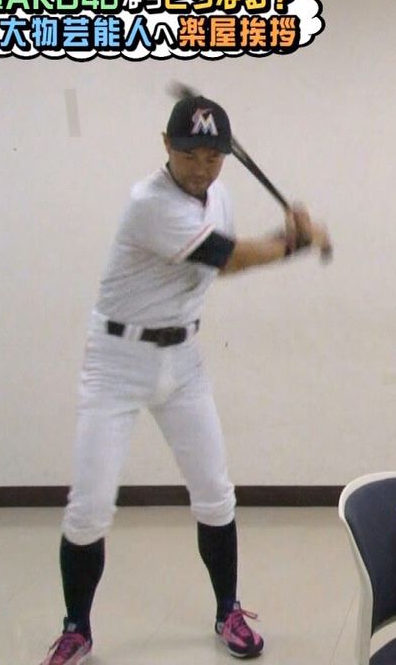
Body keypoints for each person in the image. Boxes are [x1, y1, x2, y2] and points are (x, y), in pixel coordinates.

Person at [39, 95, 331, 664]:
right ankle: (77, 628)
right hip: (117, 362)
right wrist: (296, 241)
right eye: (190, 154)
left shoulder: (218, 197)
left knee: (215, 493)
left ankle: (228, 611)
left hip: (183, 359)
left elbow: (225, 259)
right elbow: (228, 258)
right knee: (90, 506)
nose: (201, 167)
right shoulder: (149, 204)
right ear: (166, 147)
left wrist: (285, 231)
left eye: (213, 156)